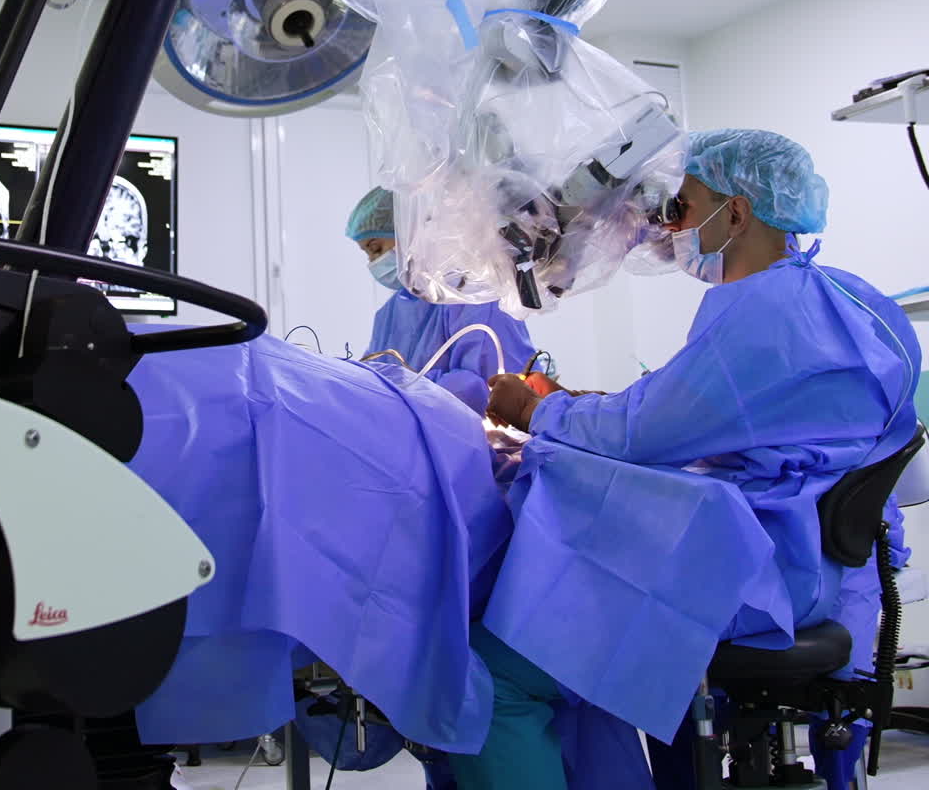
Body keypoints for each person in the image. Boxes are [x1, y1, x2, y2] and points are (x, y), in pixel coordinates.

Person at [463, 129, 922, 790]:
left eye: (683, 206)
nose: (668, 225)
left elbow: (642, 433)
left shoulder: (758, 310)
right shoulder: (856, 301)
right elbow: (741, 415)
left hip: (751, 574)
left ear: (734, 213)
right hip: (828, 567)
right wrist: (589, 406)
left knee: (493, 675)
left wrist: (534, 412)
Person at [346, 186, 536, 413]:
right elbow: (374, 377)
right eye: (367, 255)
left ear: (411, 231)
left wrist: (399, 388)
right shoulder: (390, 312)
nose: (372, 263)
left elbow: (485, 389)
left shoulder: (473, 293)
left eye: (376, 249)